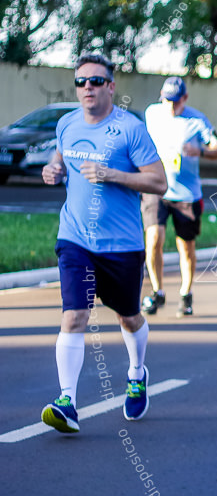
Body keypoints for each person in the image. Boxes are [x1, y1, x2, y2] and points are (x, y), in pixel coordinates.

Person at [39, 53, 167, 433]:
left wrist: (113, 174)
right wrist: (53, 168)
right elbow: (60, 158)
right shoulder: (67, 124)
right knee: (74, 315)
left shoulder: (131, 129)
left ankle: (137, 373)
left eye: (96, 81)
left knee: (128, 316)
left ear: (111, 86)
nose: (88, 88)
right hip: (75, 237)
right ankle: (67, 402)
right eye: (81, 82)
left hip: (122, 244)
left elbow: (159, 183)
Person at [142, 76, 217, 317]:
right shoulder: (151, 114)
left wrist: (199, 150)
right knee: (154, 240)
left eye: (175, 102)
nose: (170, 106)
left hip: (187, 195)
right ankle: (157, 291)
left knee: (185, 248)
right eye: (166, 100)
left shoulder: (197, 120)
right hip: (156, 189)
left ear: (185, 99)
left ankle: (185, 293)